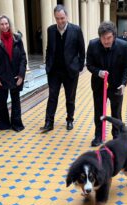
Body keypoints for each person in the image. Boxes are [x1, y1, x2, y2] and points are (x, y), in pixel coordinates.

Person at [41, 4, 85, 133]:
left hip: (70, 71)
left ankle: (70, 119)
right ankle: (49, 122)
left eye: (62, 18)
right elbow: (49, 49)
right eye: (57, 18)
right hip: (54, 71)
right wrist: (47, 66)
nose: (60, 21)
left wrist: (79, 67)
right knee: (52, 96)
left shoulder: (76, 30)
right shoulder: (50, 30)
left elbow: (82, 50)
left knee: (70, 98)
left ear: (66, 16)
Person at [86, 21, 127, 146]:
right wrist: (98, 72)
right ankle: (98, 136)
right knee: (99, 111)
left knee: (116, 112)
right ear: (99, 37)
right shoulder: (93, 45)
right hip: (99, 85)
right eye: (103, 38)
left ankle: (116, 136)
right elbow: (89, 65)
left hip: (117, 85)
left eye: (109, 38)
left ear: (114, 36)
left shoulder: (123, 46)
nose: (106, 41)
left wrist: (123, 83)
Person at [0, 15, 27, 132]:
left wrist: (21, 75)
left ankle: (16, 124)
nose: (5, 26)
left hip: (15, 75)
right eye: (2, 24)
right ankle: (3, 123)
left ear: (10, 24)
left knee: (16, 99)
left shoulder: (17, 38)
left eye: (6, 24)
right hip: (1, 75)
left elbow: (23, 58)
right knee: (2, 100)